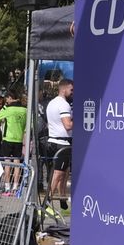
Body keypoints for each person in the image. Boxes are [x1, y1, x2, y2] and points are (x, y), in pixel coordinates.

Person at [44, 78, 74, 208]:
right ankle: (46, 203)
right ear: (64, 89)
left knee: (63, 172)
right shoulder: (64, 104)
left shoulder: (52, 102)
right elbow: (68, 125)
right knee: (58, 174)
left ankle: (62, 199)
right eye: (71, 90)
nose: (73, 92)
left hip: (53, 141)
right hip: (61, 143)